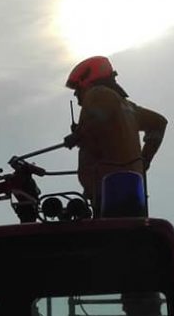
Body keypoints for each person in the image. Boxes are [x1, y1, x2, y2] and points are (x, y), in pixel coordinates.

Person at [63, 56, 168, 213]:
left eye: (77, 89)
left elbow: (96, 121)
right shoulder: (129, 107)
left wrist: (79, 135)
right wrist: (144, 160)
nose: (76, 95)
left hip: (108, 192)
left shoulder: (96, 94)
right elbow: (159, 123)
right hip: (132, 192)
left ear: (86, 81)